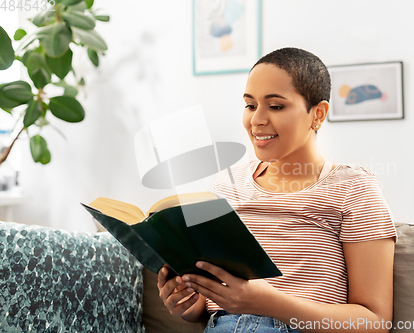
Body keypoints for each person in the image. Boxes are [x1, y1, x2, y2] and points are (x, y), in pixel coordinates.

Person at [158, 47, 397, 333]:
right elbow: (211, 306)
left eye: (276, 106)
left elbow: (374, 322)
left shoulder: (353, 188)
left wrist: (269, 303)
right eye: (250, 105)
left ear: (317, 114)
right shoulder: (227, 186)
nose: (257, 120)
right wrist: (188, 304)